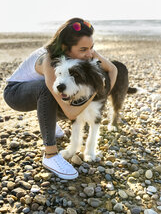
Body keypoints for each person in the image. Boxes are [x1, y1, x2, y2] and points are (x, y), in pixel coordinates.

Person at [3, 18, 118, 180]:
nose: (90, 53)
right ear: (65, 48)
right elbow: (71, 114)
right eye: (84, 49)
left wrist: (102, 94)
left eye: (91, 47)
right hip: (15, 93)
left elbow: (112, 69)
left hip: (39, 91)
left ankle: (51, 123)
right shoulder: (49, 60)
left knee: (71, 93)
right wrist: (94, 92)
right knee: (51, 90)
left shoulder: (85, 52)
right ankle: (50, 155)